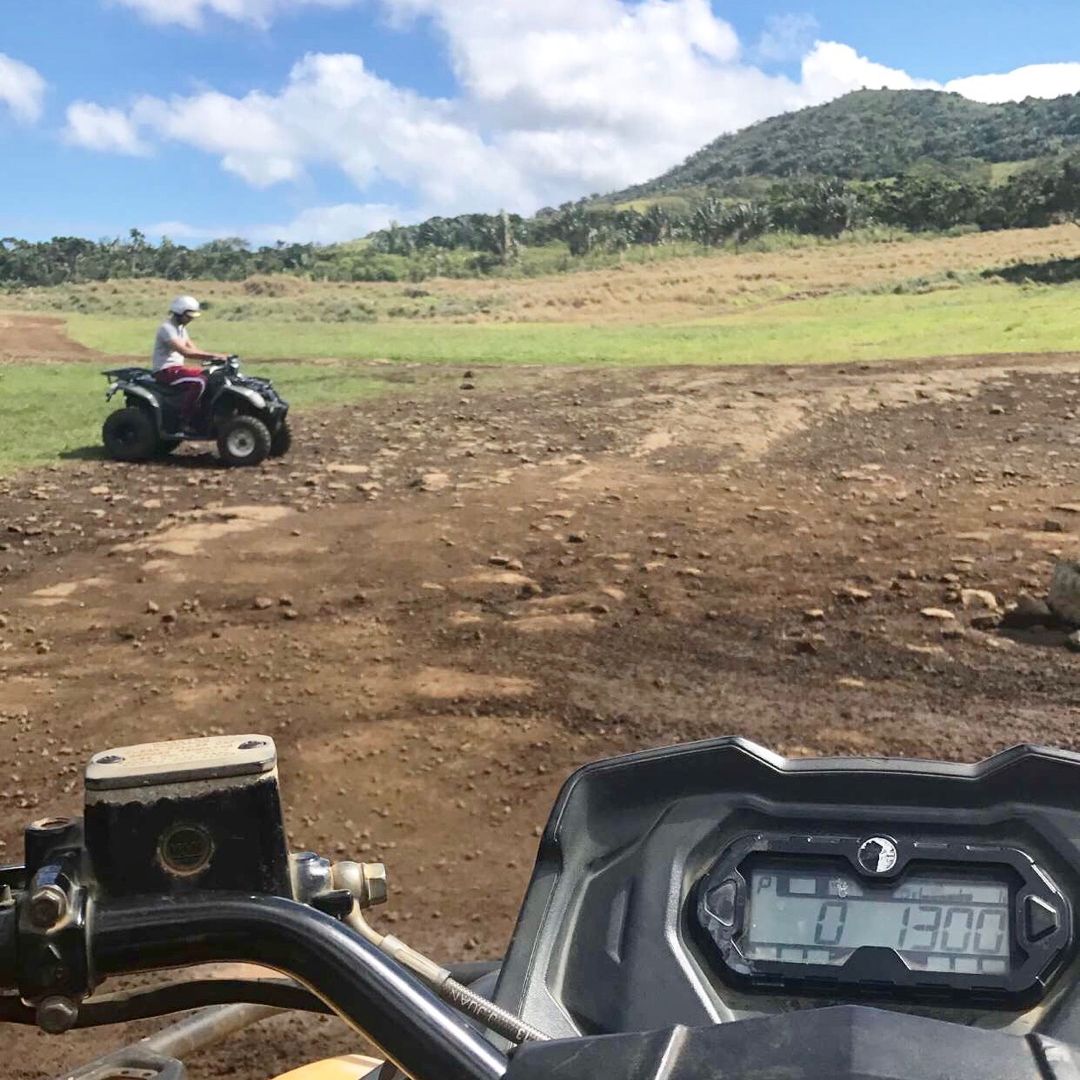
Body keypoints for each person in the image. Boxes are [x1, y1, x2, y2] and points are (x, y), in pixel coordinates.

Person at [151, 295, 228, 433]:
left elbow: (194, 350)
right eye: (189, 316)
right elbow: (185, 352)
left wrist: (216, 358)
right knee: (199, 382)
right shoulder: (167, 328)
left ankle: (203, 417)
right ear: (179, 312)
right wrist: (213, 355)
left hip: (177, 370)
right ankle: (184, 420)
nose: (191, 319)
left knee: (212, 378)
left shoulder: (181, 329)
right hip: (165, 371)